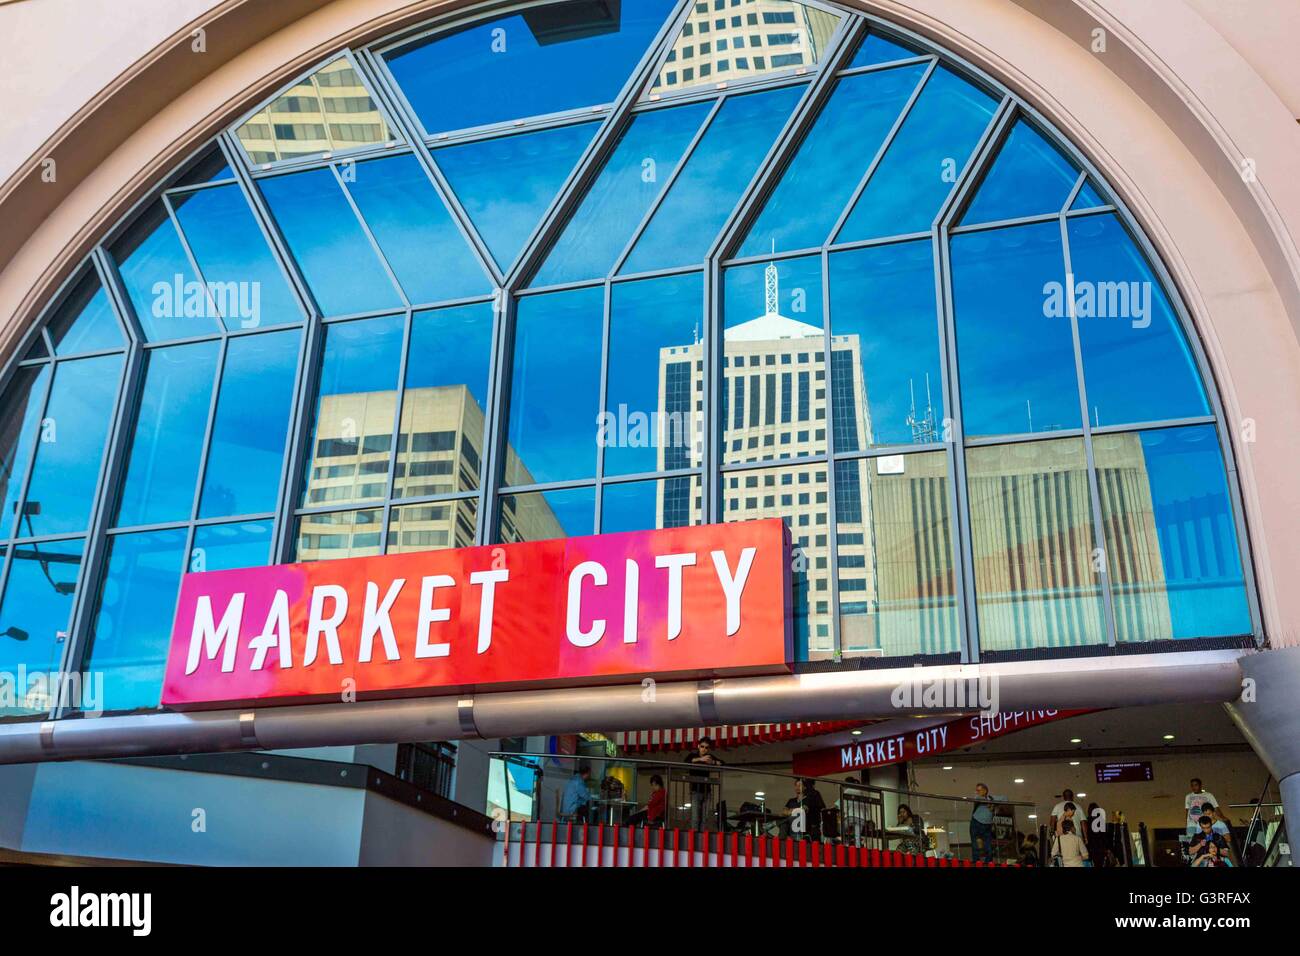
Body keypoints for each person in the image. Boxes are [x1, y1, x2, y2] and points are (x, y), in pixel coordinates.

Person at [682, 737, 724, 831]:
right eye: (702, 746)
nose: (704, 749)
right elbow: (685, 761)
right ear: (698, 746)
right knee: (695, 818)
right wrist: (700, 759)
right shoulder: (692, 755)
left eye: (706, 747)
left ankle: (701, 838)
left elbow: (723, 763)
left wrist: (712, 762)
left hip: (706, 791)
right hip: (695, 791)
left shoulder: (709, 757)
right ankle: (694, 837)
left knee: (704, 818)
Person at [970, 782, 998, 863]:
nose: (977, 792)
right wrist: (989, 804)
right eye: (976, 790)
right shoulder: (978, 798)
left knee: (988, 845)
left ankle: (988, 862)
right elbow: (978, 798)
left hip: (987, 825)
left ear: (985, 790)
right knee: (975, 845)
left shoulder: (991, 799)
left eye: (979, 790)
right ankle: (976, 862)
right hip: (976, 823)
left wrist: (991, 804)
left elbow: (1004, 798)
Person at [1084, 801, 1109, 867]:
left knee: (1094, 864)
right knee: (1101, 863)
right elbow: (1104, 835)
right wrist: (1107, 847)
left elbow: (1087, 834)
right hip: (1101, 847)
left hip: (1092, 847)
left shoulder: (1088, 821)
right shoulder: (1101, 820)